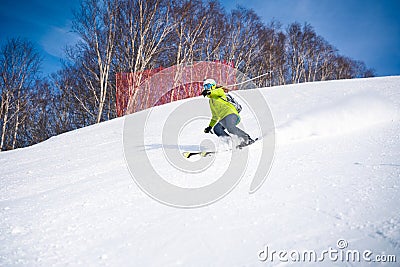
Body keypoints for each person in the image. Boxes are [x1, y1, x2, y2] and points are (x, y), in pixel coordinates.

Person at [201, 78, 254, 148]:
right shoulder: (211, 101)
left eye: (207, 86)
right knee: (216, 129)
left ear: (213, 85)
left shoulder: (219, 91)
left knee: (230, 128)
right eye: (205, 87)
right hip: (223, 118)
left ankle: (247, 139)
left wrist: (209, 92)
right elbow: (215, 116)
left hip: (231, 114)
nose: (206, 88)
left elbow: (218, 92)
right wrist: (210, 126)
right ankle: (230, 143)